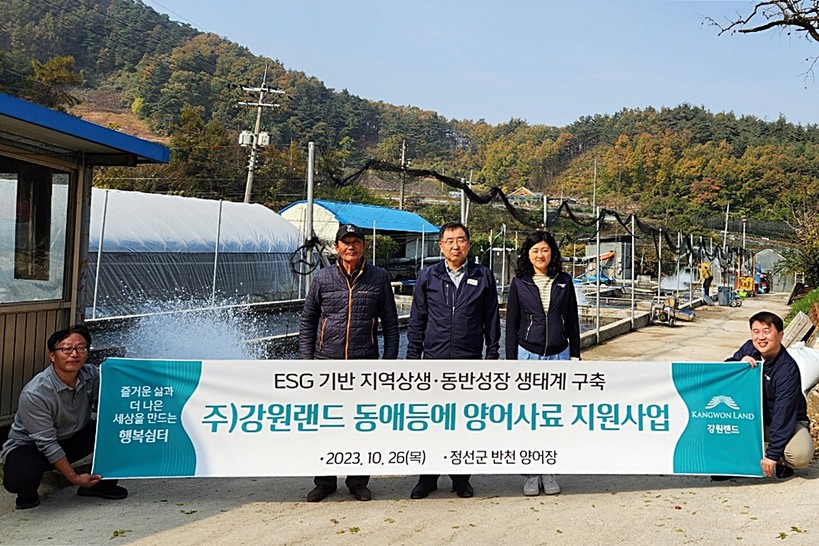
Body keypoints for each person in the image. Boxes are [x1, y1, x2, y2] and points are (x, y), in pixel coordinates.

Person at [299, 223, 399, 502]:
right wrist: (307, 361)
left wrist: (388, 364)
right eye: (345, 242)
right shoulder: (322, 278)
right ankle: (324, 481)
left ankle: (358, 481)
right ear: (337, 247)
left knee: (361, 425)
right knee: (324, 425)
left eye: (356, 241)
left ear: (364, 245)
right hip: (326, 365)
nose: (350, 246)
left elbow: (391, 325)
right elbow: (308, 321)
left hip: (363, 365)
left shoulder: (379, 278)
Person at [406, 221, 501, 499]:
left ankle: (461, 478)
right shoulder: (428, 276)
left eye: (460, 240)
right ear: (441, 246)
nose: (455, 246)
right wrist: (412, 359)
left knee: (463, 421)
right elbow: (418, 320)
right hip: (433, 361)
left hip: (468, 360)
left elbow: (491, 319)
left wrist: (492, 355)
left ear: (468, 244)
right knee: (431, 422)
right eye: (449, 241)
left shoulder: (483, 276)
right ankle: (427, 477)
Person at [2, 325, 128, 509]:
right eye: (67, 349)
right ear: (52, 355)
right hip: (32, 446)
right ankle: (27, 493)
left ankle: (100, 484)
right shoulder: (35, 393)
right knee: (20, 476)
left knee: (119, 427)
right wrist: (75, 478)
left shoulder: (92, 375)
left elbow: (115, 399)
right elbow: (47, 443)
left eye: (81, 348)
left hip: (73, 437)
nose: (74, 354)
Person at [506, 230, 580, 496]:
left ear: (552, 253)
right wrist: (511, 361)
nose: (540, 255)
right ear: (528, 254)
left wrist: (575, 354)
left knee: (553, 414)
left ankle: (549, 470)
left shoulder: (564, 281)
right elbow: (512, 324)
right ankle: (530, 473)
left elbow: (572, 320)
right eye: (535, 250)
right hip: (528, 354)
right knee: (529, 416)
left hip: (559, 355)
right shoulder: (519, 283)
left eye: (545, 250)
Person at [721, 311, 814, 479]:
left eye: (766, 331)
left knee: (800, 454)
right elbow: (723, 373)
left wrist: (772, 455)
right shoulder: (749, 348)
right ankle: (730, 463)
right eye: (756, 331)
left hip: (785, 419)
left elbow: (783, 414)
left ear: (780, 335)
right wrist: (737, 365)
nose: (761, 337)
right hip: (752, 416)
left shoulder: (787, 370)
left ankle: (782, 460)